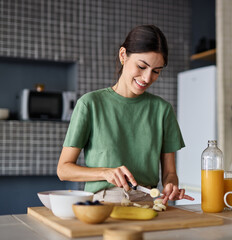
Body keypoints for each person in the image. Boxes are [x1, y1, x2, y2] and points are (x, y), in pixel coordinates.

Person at [57, 25, 194, 204]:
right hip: (103, 203)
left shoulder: (163, 110)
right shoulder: (90, 104)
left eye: (156, 71)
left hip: (149, 203)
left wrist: (171, 185)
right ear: (123, 55)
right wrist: (105, 172)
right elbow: (63, 170)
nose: (146, 78)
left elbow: (169, 174)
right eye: (141, 66)